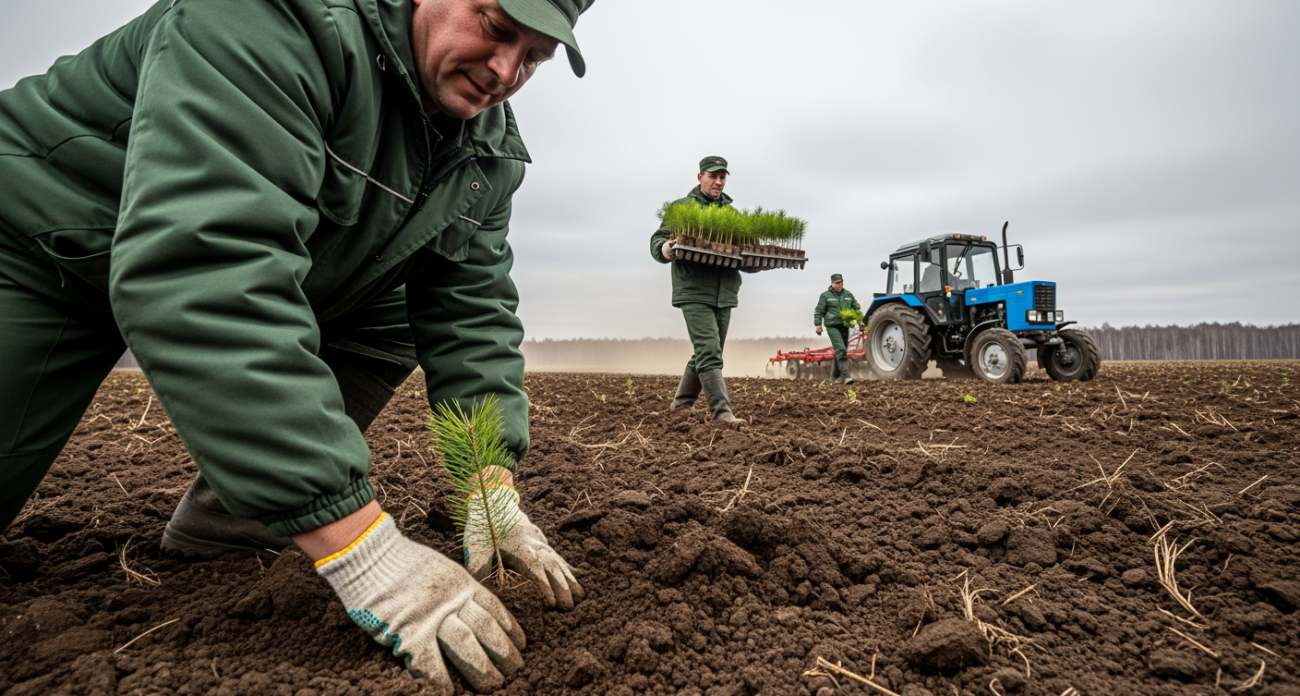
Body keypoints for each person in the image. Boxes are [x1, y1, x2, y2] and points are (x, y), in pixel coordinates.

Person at [0, 0, 594, 690]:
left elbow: (472, 312)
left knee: (394, 306)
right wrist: (364, 552)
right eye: (496, 26)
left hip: (218, 256)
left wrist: (489, 486)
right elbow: (207, 263)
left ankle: (237, 520)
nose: (504, 70)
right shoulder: (271, 20)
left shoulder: (483, 151)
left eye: (534, 56)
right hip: (40, 240)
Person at [650, 156, 754, 425]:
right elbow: (658, 240)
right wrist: (666, 249)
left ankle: (681, 405)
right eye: (713, 176)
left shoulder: (732, 215)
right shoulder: (681, 208)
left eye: (723, 177)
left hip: (725, 292)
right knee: (709, 350)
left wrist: (756, 261)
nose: (718, 182)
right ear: (700, 177)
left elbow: (743, 254)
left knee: (708, 351)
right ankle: (722, 413)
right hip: (693, 290)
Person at [813, 273, 862, 384]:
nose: (840, 285)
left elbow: (856, 308)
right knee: (841, 349)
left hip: (845, 326)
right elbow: (819, 311)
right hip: (832, 326)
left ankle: (834, 378)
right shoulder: (825, 296)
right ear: (832, 283)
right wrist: (818, 324)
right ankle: (846, 376)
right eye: (837, 283)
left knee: (840, 351)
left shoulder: (848, 294)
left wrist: (860, 321)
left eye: (841, 282)